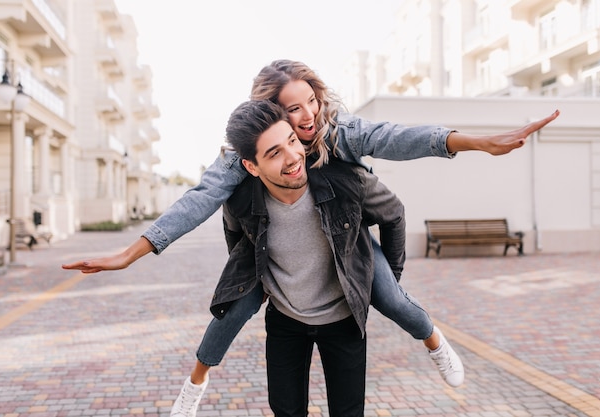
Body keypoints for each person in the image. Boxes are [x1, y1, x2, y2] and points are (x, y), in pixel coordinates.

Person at [61, 60, 560, 416]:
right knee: (230, 311)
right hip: (276, 270)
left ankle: (433, 340)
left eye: (311, 102)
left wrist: (475, 142)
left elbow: (395, 138)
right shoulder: (244, 158)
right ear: (268, 119)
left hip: (349, 250)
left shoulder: (337, 132)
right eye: (292, 110)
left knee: (393, 300)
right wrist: (131, 253)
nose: (308, 117)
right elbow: (198, 200)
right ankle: (196, 382)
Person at [219, 99, 406, 416]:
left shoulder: (346, 180)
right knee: (286, 411)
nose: (292, 157)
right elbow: (237, 239)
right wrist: (257, 280)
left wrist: (385, 280)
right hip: (285, 322)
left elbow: (394, 215)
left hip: (344, 319)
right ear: (252, 166)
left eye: (291, 141)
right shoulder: (239, 199)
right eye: (274, 153)